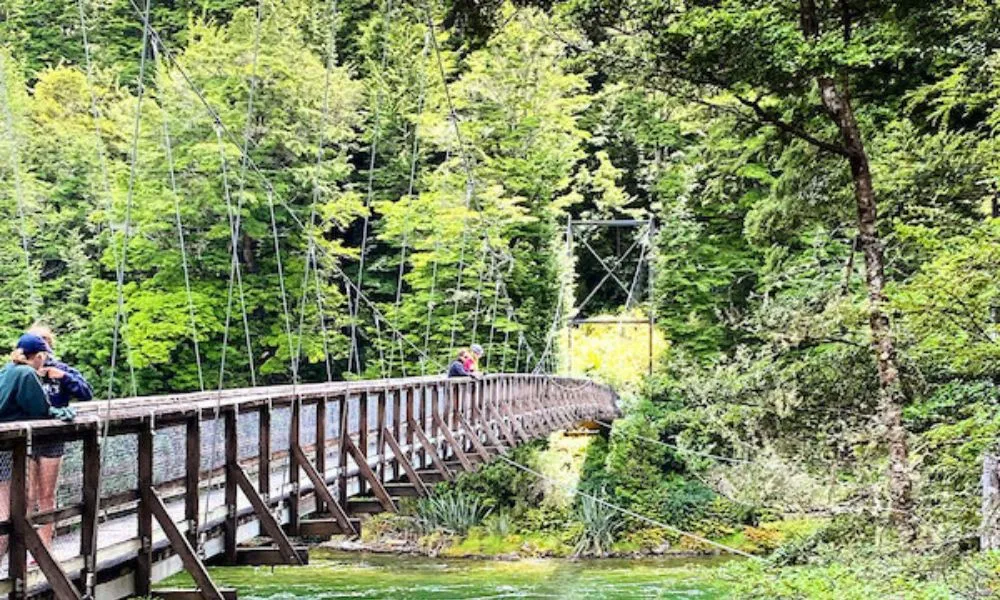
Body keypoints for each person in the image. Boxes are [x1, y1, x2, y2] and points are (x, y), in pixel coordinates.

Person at [0, 333, 73, 556]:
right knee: (8, 509)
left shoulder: (7, 370)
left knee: (5, 502)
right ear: (39, 356)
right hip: (9, 448)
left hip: (4, 442)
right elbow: (39, 408)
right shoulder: (26, 373)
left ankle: (11, 561)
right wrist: (61, 413)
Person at [26, 325, 89, 548]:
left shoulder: (61, 369)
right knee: (27, 495)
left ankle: (44, 545)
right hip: (26, 439)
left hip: (53, 438)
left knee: (47, 494)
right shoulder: (22, 371)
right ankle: (25, 544)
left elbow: (85, 393)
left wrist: (62, 377)